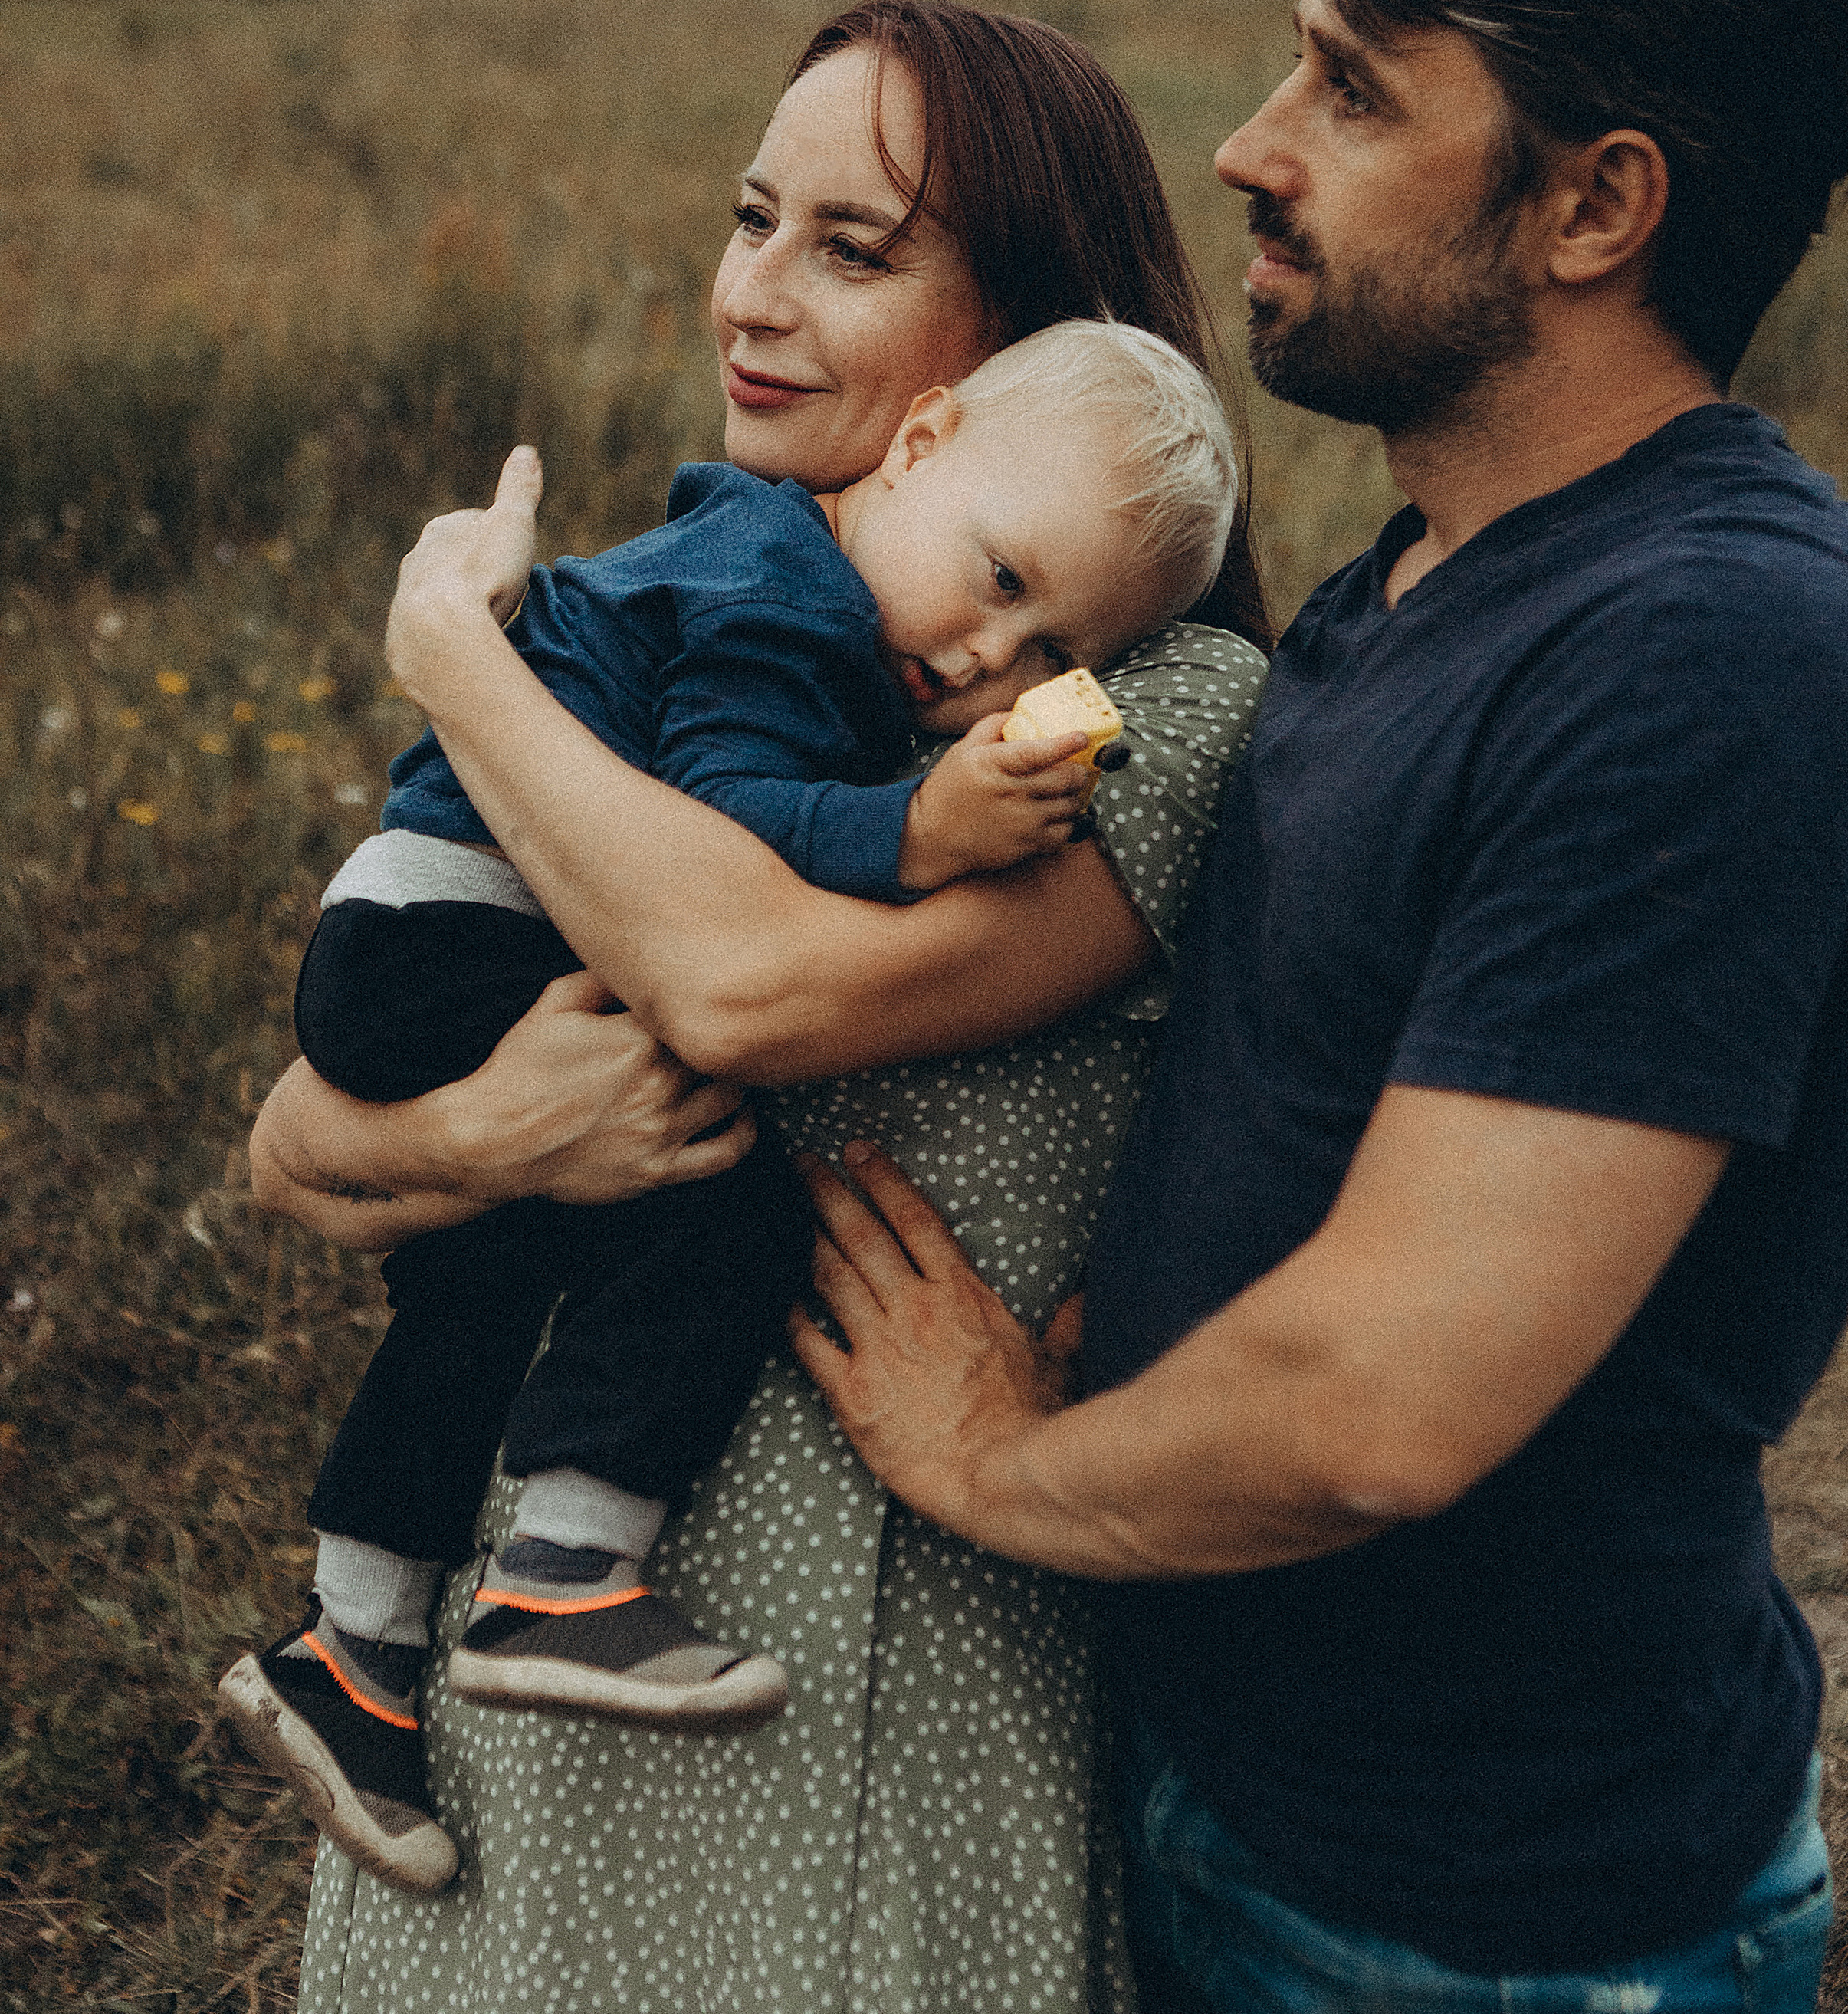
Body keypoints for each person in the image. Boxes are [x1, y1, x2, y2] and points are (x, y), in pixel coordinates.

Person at [785, 0, 1848, 2014]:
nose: (1250, 145)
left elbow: (1396, 1390)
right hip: (1268, 1833)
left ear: (1594, 203)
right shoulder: (1433, 575)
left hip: (1512, 1952)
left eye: (1352, 86)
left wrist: (995, 1456)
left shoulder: (1714, 653)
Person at [245, 0, 1270, 2014]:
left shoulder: (1151, 708)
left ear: (1010, 344)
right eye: (747, 220)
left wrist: (454, 652)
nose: (756, 298)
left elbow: (738, 981)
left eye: (851, 245)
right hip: (538, 1696)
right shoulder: (709, 605)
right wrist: (478, 1125)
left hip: (888, 1722)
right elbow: (297, 1124)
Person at [221, 318, 1236, 1899]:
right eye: (998, 581)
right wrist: (917, 827)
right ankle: (561, 1570)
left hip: (407, 918)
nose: (988, 662)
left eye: (1048, 653)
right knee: (723, 1199)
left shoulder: (837, 579)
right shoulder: (789, 596)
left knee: (485, 1279)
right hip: (463, 929)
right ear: (919, 441)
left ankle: (350, 1650)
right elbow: (719, 829)